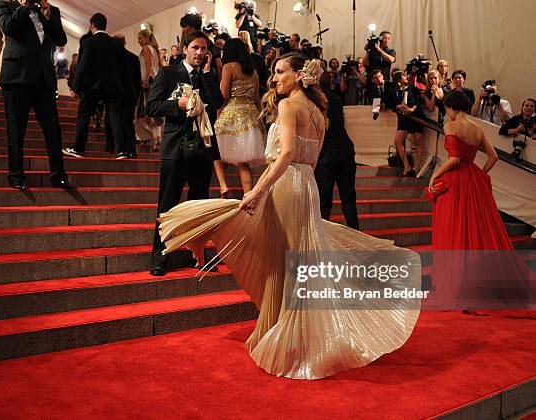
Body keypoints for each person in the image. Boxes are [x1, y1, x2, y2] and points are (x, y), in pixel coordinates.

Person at [157, 53, 421, 379]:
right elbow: (308, 163)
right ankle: (284, 327)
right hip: (305, 185)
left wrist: (257, 190)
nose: (274, 78)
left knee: (277, 251)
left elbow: (286, 155)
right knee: (295, 257)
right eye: (274, 72)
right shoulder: (319, 113)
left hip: (285, 183)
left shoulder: (287, 106)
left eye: (281, 72)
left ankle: (291, 337)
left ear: (298, 75)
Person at [427, 90, 531, 312]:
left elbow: (454, 159)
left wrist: (435, 175)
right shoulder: (477, 128)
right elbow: (493, 157)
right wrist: (479, 174)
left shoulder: (450, 126)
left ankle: (458, 287)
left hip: (455, 183)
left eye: (447, 108)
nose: (446, 112)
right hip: (473, 181)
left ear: (452, 107)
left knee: (454, 231)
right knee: (475, 232)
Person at [147, 31, 224, 277]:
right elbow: (152, 106)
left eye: (204, 49)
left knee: (199, 205)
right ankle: (159, 257)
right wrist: (176, 105)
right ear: (184, 49)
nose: (200, 53)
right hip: (175, 149)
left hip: (201, 151)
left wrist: (210, 73)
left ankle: (198, 256)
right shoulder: (169, 74)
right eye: (195, 48)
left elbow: (217, 101)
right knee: (167, 205)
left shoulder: (207, 77)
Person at [0, 0, 72, 190]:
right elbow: (9, 28)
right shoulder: (6, 4)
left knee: (53, 130)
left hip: (43, 78)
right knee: (16, 130)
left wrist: (47, 17)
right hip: (16, 76)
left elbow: (61, 39)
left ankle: (58, 175)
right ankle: (16, 175)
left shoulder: (51, 9)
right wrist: (25, 7)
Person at [63, 13, 128, 160]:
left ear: (92, 25)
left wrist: (75, 87)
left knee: (84, 115)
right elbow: (123, 68)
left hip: (92, 86)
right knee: (115, 116)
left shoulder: (89, 42)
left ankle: (79, 148)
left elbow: (83, 66)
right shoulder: (116, 44)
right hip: (112, 86)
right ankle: (121, 150)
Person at [214, 38, 266, 195]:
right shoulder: (253, 71)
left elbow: (223, 95)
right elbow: (257, 98)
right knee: (243, 162)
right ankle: (248, 194)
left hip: (231, 113)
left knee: (216, 153)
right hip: (250, 116)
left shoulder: (228, 67)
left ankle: (223, 185)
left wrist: (217, 114)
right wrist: (260, 119)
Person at [315, 78, 359, 229]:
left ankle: (321, 239)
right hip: (345, 152)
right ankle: (356, 233)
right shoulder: (336, 98)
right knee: (348, 198)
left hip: (326, 157)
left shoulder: (313, 101)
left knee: (324, 201)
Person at [109, 32, 141, 159]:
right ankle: (131, 150)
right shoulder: (133, 57)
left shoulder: (111, 58)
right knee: (128, 123)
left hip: (115, 94)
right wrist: (136, 95)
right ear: (125, 42)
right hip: (130, 94)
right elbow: (137, 80)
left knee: (116, 122)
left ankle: (121, 150)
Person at [388, 70, 425, 177]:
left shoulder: (413, 88)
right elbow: (392, 104)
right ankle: (407, 166)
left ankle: (417, 167)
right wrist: (397, 107)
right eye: (404, 76)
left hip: (415, 117)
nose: (406, 77)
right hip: (403, 118)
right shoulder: (394, 91)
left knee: (418, 142)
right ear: (399, 79)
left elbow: (418, 102)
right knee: (398, 142)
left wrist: (412, 109)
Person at [134, 28, 164, 151]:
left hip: (149, 82)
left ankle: (153, 137)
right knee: (149, 112)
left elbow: (149, 65)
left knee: (144, 111)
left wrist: (146, 79)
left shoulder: (146, 48)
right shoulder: (155, 50)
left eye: (140, 38)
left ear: (146, 38)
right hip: (154, 82)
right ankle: (154, 137)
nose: (138, 41)